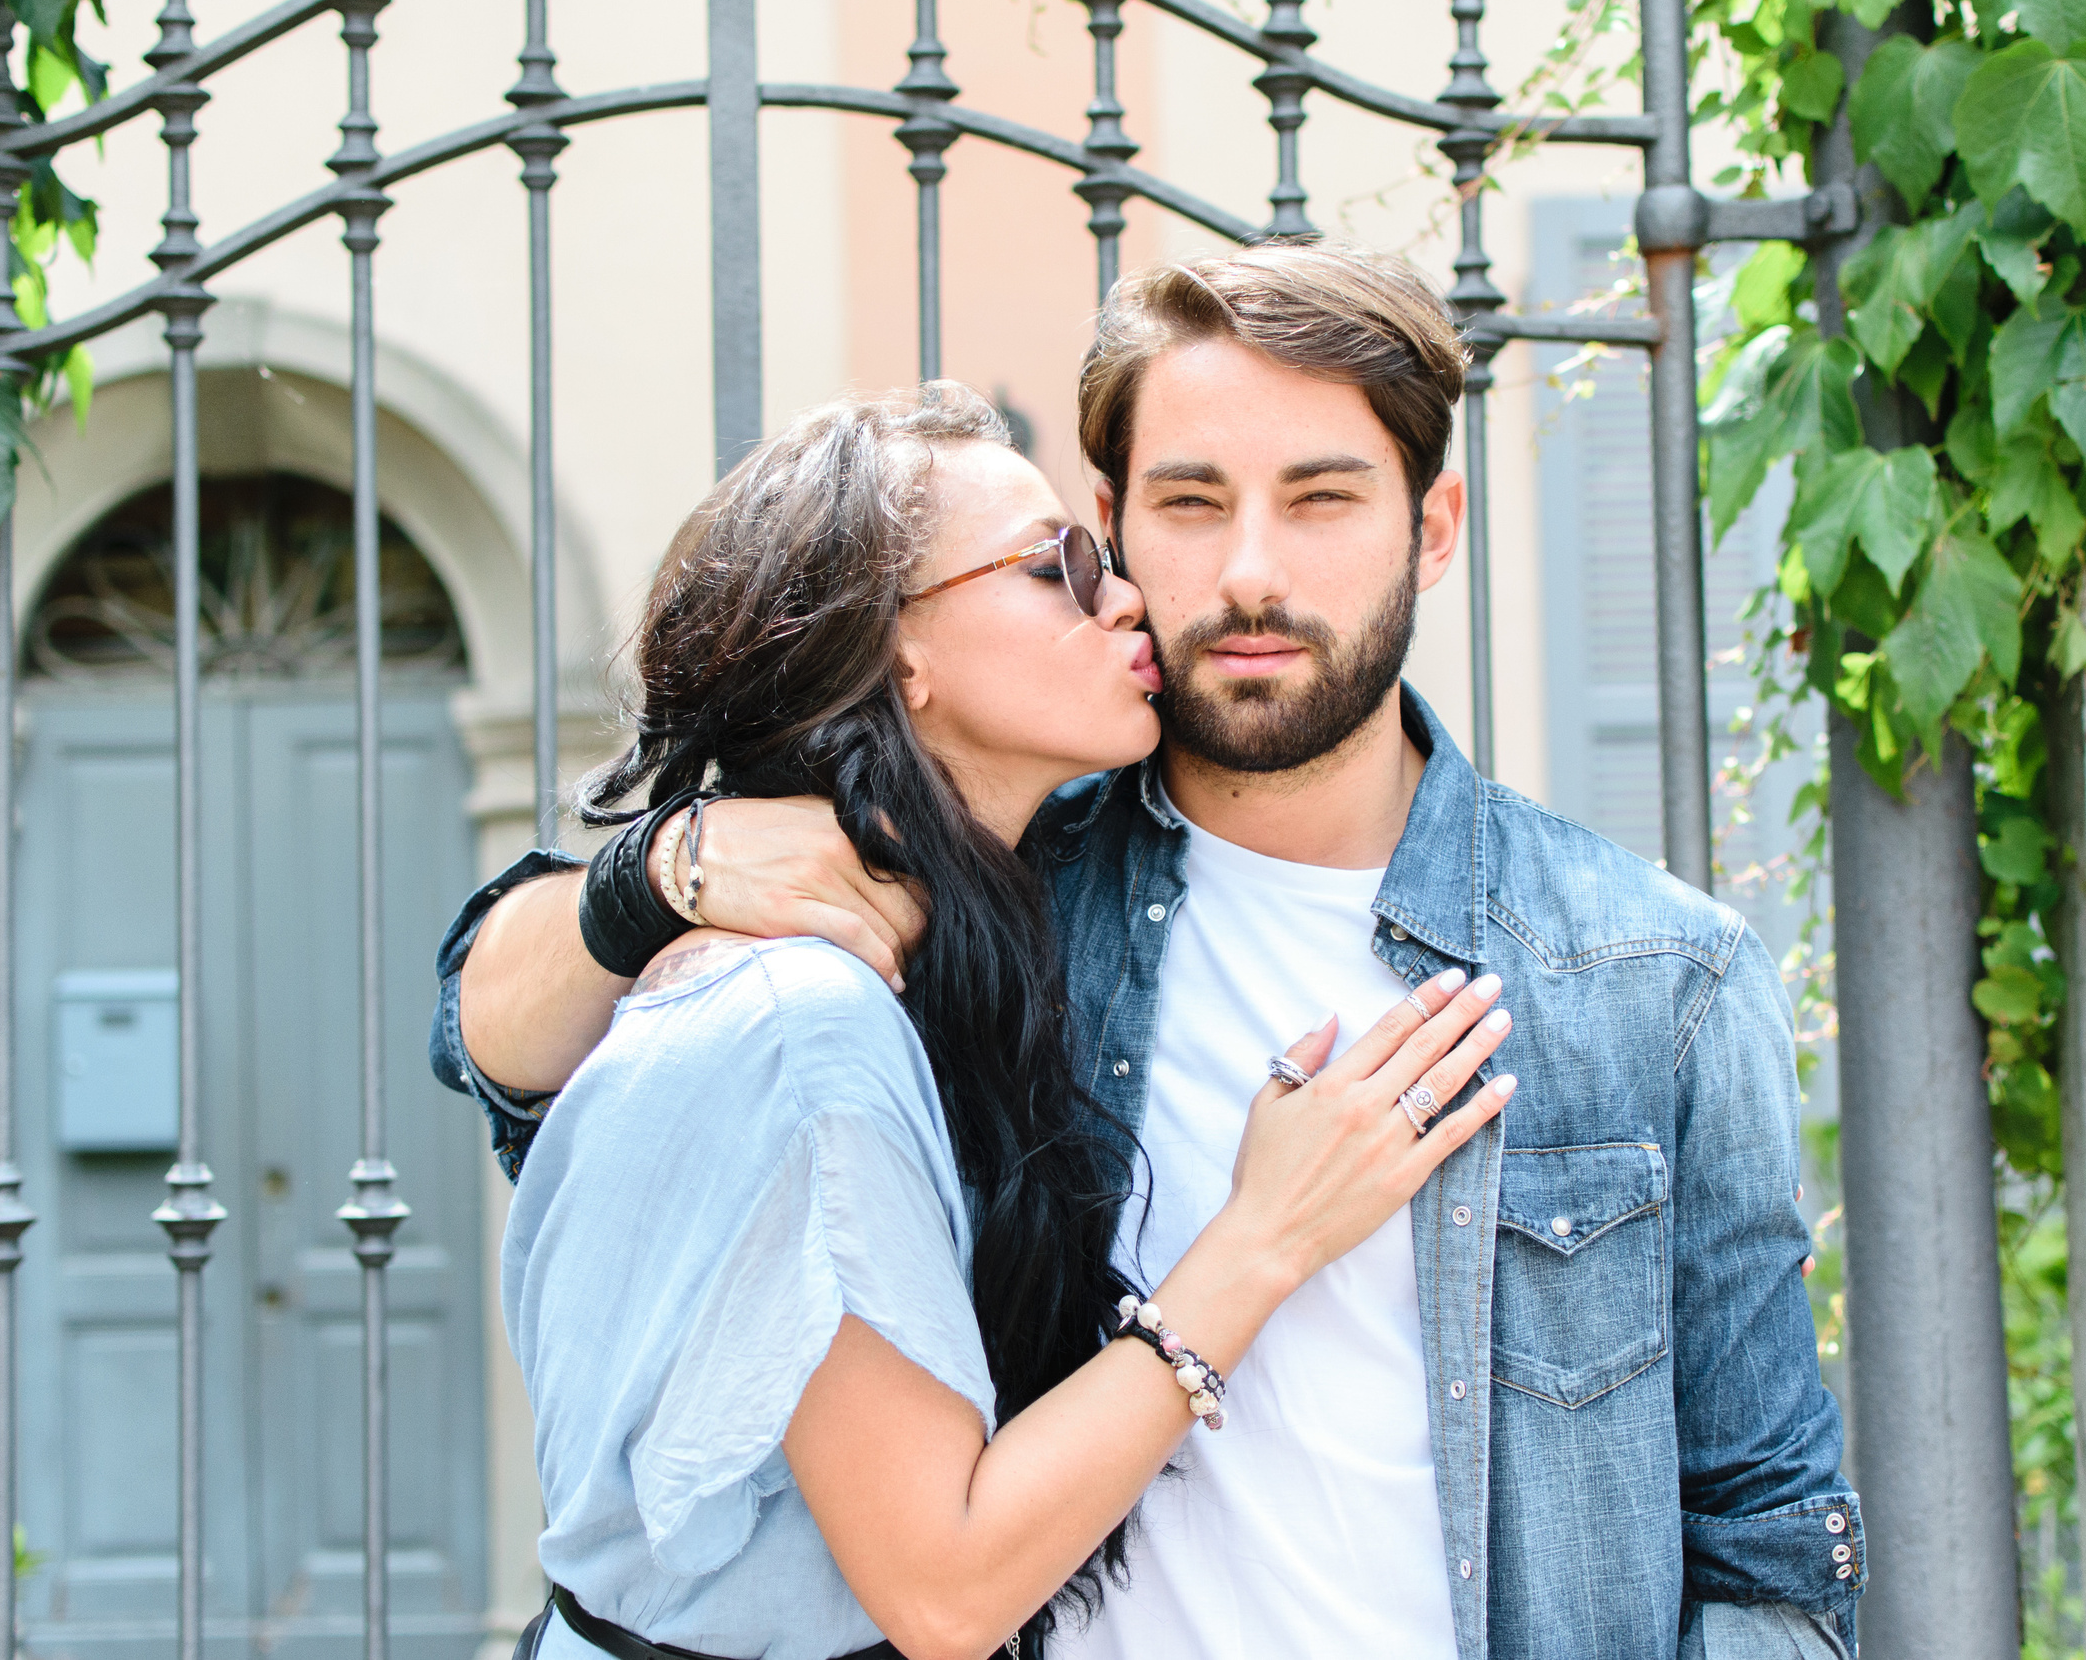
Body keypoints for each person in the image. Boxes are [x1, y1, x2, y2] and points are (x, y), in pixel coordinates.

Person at [438, 244, 1862, 1660]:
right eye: (1191, 503)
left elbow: (1774, 1543)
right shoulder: (960, 908)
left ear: (1432, 528)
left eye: (1321, 499)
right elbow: (504, 1054)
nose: (1251, 571)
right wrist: (655, 873)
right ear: (1114, 526)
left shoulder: (1655, 978)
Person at [489, 383, 1514, 1660]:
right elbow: (946, 1590)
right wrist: (1267, 1235)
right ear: (896, 652)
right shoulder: (804, 1022)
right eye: (1060, 568)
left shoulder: (941, 954)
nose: (1127, 594)